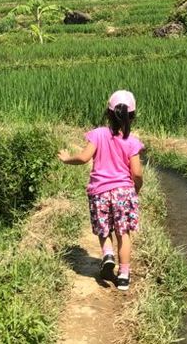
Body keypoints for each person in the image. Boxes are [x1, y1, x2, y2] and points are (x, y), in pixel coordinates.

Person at [58, 90, 144, 291]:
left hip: (99, 192)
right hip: (124, 191)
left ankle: (107, 253)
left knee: (103, 228)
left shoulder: (98, 134)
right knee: (124, 234)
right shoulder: (132, 142)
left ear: (108, 113)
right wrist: (136, 188)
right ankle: (123, 276)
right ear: (132, 116)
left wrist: (66, 158)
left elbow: (83, 158)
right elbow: (137, 173)